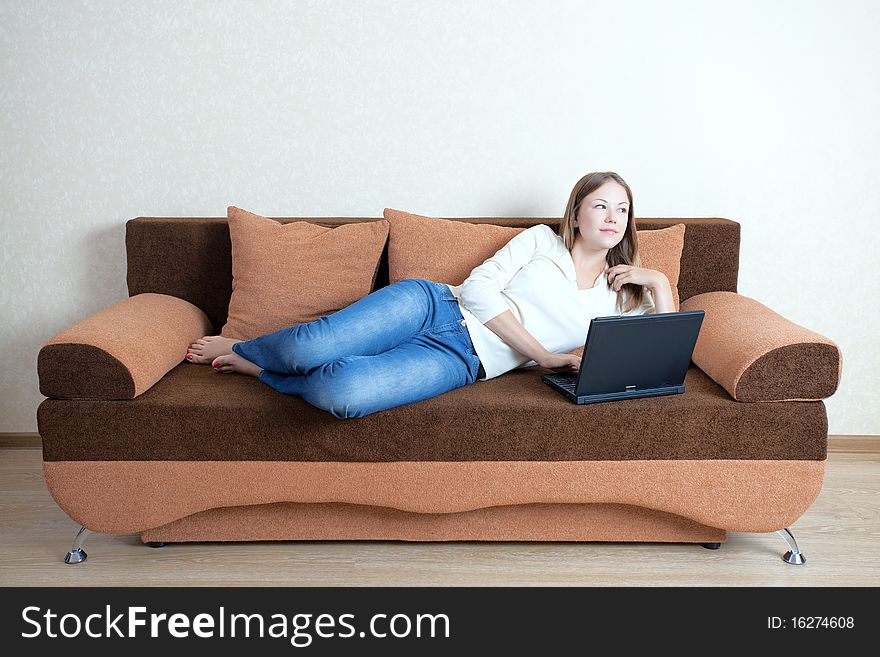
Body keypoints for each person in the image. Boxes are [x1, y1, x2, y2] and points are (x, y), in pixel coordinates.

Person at [185, 171, 676, 418]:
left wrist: (658, 283)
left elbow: (659, 357)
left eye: (622, 210)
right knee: (306, 347)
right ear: (575, 215)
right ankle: (253, 349)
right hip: (432, 306)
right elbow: (479, 290)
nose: (613, 218)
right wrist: (542, 355)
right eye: (600, 206)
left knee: (344, 394)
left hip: (464, 361)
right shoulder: (541, 240)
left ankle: (262, 367)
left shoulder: (623, 295)